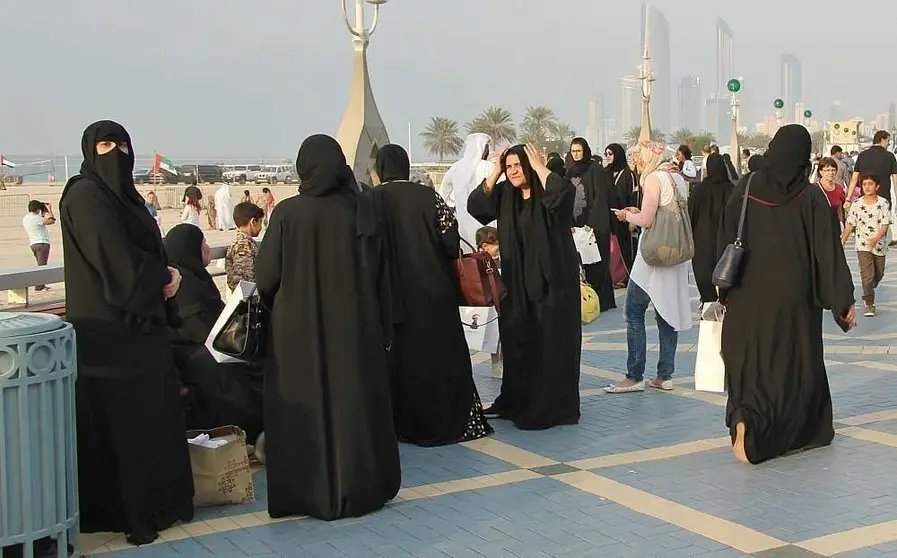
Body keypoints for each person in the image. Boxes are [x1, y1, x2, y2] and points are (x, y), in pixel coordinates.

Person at [59, 120, 193, 544]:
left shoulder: (125, 198)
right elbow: (113, 258)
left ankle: (160, 504)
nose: (115, 152)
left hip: (142, 331)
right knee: (122, 428)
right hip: (108, 337)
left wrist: (165, 275)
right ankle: (128, 513)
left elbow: (142, 246)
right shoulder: (85, 196)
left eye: (122, 144)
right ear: (89, 149)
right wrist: (162, 277)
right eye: (105, 144)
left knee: (151, 421)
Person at [255, 134, 400, 520]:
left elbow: (265, 276)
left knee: (304, 407)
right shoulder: (362, 211)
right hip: (355, 329)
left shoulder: (287, 214)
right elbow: (381, 274)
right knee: (352, 405)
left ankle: (306, 492)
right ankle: (359, 485)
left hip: (295, 333)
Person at [718, 125, 855, 465]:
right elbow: (828, 251)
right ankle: (790, 431)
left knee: (751, 361)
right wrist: (842, 300)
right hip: (794, 298)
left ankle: (746, 416)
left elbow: (725, 235)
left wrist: (720, 288)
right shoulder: (810, 197)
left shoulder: (746, 189)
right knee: (792, 363)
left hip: (748, 295)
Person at [375, 144, 492, 446]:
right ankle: (449, 421)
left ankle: (405, 425)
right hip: (434, 293)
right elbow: (450, 242)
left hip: (391, 296)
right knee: (440, 356)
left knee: (402, 361)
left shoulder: (370, 201)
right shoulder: (428, 196)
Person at [468, 144, 581, 430]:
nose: (514, 171)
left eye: (519, 165)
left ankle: (550, 405)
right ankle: (516, 399)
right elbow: (476, 206)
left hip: (552, 283)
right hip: (518, 283)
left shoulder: (547, 189)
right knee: (518, 339)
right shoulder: (506, 193)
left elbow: (566, 195)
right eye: (510, 167)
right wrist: (495, 172)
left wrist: (540, 166)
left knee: (549, 341)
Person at [164, 224, 264, 443]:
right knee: (235, 376)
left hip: (209, 345)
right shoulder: (182, 285)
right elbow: (198, 328)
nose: (208, 249)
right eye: (203, 245)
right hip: (190, 352)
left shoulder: (196, 278)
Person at [605, 140, 692, 394]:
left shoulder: (654, 178)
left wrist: (626, 216)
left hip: (653, 256)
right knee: (666, 314)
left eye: (639, 157)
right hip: (673, 256)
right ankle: (665, 375)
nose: (636, 162)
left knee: (633, 310)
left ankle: (634, 375)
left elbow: (646, 219)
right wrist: (639, 211)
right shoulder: (677, 179)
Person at [567, 137, 617, 311]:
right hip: (576, 226)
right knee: (581, 262)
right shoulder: (570, 171)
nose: (576, 154)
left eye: (578, 151)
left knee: (598, 262)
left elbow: (600, 197)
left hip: (595, 225)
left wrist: (592, 222)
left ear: (585, 150)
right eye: (573, 151)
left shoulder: (595, 170)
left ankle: (602, 301)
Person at [688, 154, 734, 304]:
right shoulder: (731, 189)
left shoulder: (699, 189)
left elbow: (691, 215)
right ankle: (723, 303)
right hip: (726, 240)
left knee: (705, 277)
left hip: (703, 240)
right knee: (726, 276)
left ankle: (708, 305)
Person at [842, 175, 890, 317]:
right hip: (862, 245)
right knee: (867, 275)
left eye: (870, 184)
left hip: (879, 245)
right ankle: (869, 303)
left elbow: (885, 224)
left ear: (877, 186)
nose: (867, 187)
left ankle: (870, 287)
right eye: (864, 184)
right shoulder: (857, 204)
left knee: (878, 274)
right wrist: (843, 239)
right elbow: (850, 223)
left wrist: (876, 238)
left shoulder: (883, 203)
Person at [438, 132, 495, 250]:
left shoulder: (456, 167)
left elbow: (442, 193)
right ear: (483, 149)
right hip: (487, 225)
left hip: (463, 225)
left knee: (469, 260)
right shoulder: (489, 167)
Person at [605, 143, 640, 272]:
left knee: (626, 249)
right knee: (612, 249)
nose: (608, 157)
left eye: (610, 154)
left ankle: (628, 276)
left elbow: (634, 196)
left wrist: (633, 220)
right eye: (606, 154)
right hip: (609, 217)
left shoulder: (628, 174)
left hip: (625, 217)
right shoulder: (605, 173)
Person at [477, 225, 503, 378]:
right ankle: (495, 364)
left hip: (501, 302)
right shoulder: (479, 261)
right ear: (485, 245)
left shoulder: (501, 259)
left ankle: (501, 363)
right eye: (496, 245)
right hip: (490, 305)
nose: (498, 248)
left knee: (503, 336)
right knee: (494, 337)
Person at [225, 201, 264, 291]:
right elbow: (244, 282)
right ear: (253, 221)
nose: (261, 227)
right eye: (260, 222)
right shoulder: (243, 246)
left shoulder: (242, 242)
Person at [22, 199, 56, 291]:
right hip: (42, 243)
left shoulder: (26, 218)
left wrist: (43, 213)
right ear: (37, 209)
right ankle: (39, 285)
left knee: (40, 264)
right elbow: (52, 221)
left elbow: (40, 221)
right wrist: (49, 210)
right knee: (42, 266)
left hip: (33, 244)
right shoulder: (36, 218)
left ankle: (41, 284)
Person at [816, 157, 847, 223]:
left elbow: (841, 210)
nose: (831, 173)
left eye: (833, 170)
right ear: (820, 171)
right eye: (827, 170)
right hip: (818, 225)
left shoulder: (839, 188)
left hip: (835, 225)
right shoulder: (814, 189)